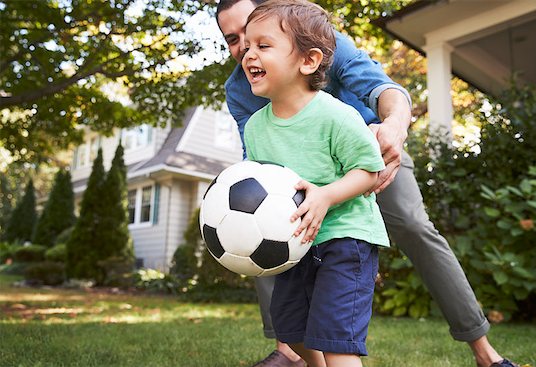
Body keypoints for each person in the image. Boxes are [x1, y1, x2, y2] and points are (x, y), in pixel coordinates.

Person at [215, 1, 519, 367]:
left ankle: (484, 351)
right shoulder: (240, 89)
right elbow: (261, 172)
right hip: (302, 177)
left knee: (412, 225)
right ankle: (290, 348)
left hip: (369, 147)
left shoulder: (314, 39)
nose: (243, 50)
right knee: (261, 221)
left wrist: (394, 126)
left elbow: (381, 88)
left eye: (252, 36)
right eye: (233, 40)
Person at [242, 2, 388, 366]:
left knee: (337, 341)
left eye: (263, 45)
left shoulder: (336, 115)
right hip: (295, 244)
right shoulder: (256, 128)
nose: (248, 55)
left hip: (346, 240)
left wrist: (325, 196)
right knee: (292, 331)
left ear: (308, 61)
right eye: (247, 46)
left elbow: (369, 171)